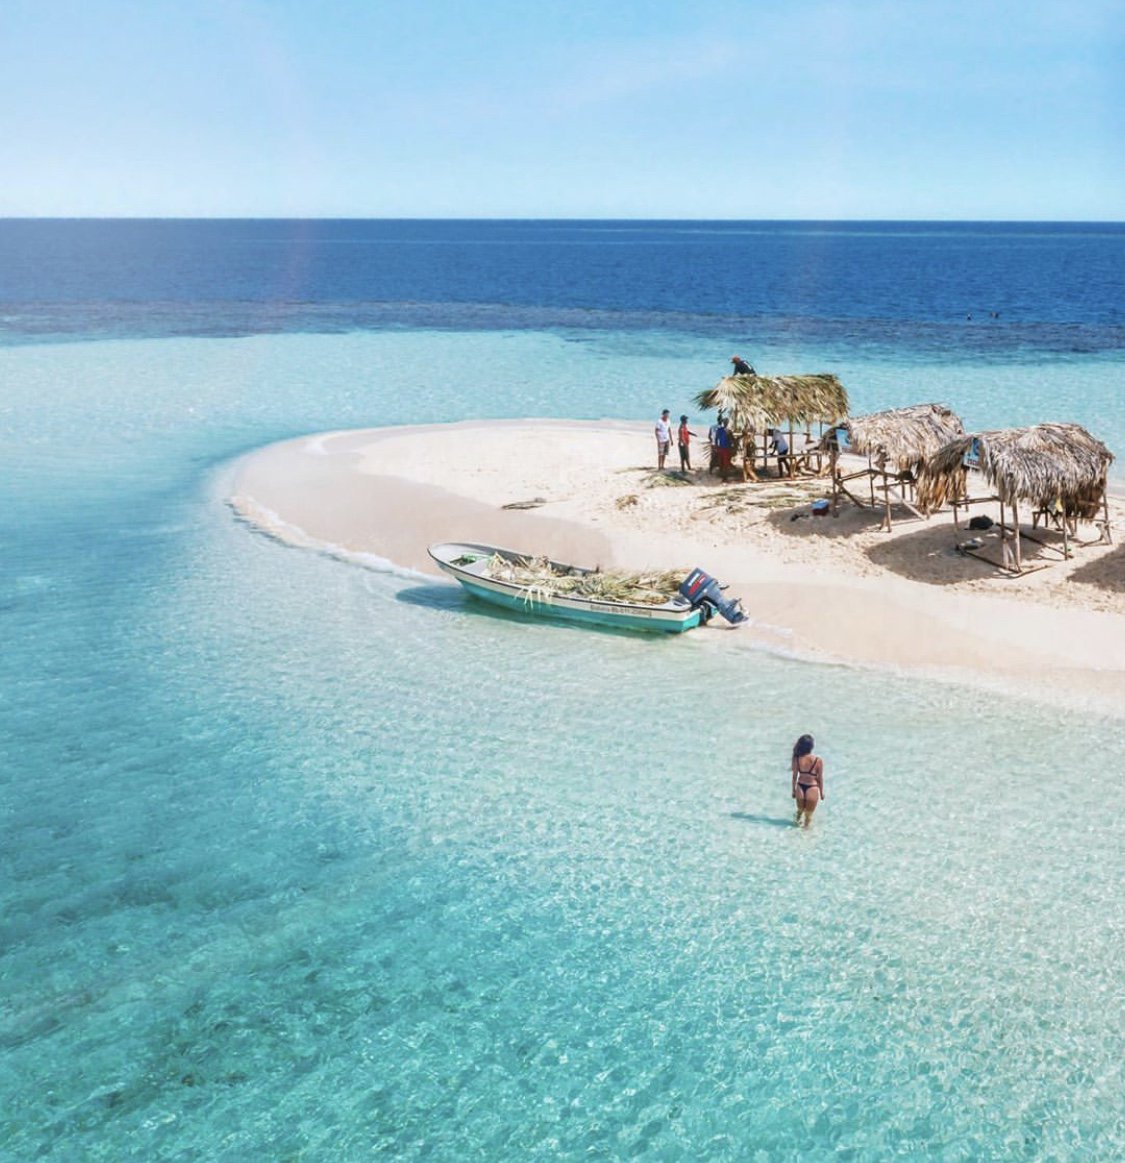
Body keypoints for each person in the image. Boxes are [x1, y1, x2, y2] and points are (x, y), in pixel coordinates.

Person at [791, 734, 825, 827]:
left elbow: (794, 776)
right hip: (812, 788)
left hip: (800, 787)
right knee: (808, 816)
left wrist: (793, 790)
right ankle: (805, 838)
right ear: (811, 746)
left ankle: (794, 831)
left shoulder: (797, 758)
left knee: (799, 812)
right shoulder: (818, 760)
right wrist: (822, 793)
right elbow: (820, 778)